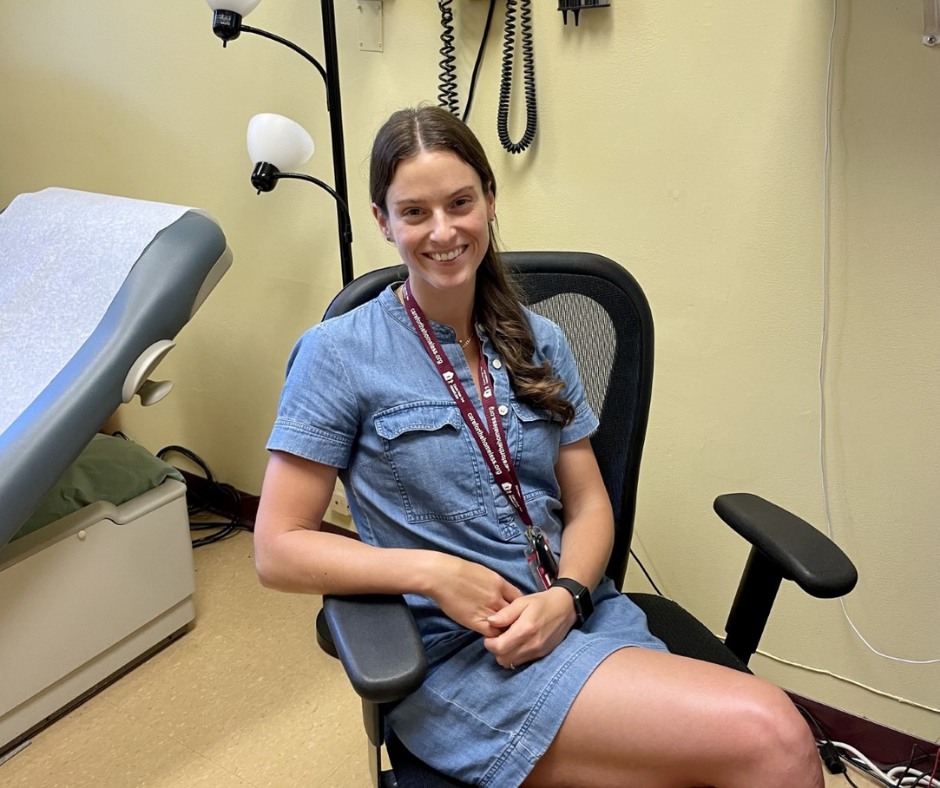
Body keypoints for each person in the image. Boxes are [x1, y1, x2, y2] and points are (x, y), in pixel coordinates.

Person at [253, 106, 823, 788]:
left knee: (735, 757)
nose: (442, 231)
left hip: (576, 619)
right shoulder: (337, 355)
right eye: (414, 212)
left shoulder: (539, 339)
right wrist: (430, 573)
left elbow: (589, 507)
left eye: (461, 203)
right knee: (775, 738)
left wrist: (569, 597)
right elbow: (277, 548)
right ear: (383, 222)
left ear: (490, 201)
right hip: (465, 658)